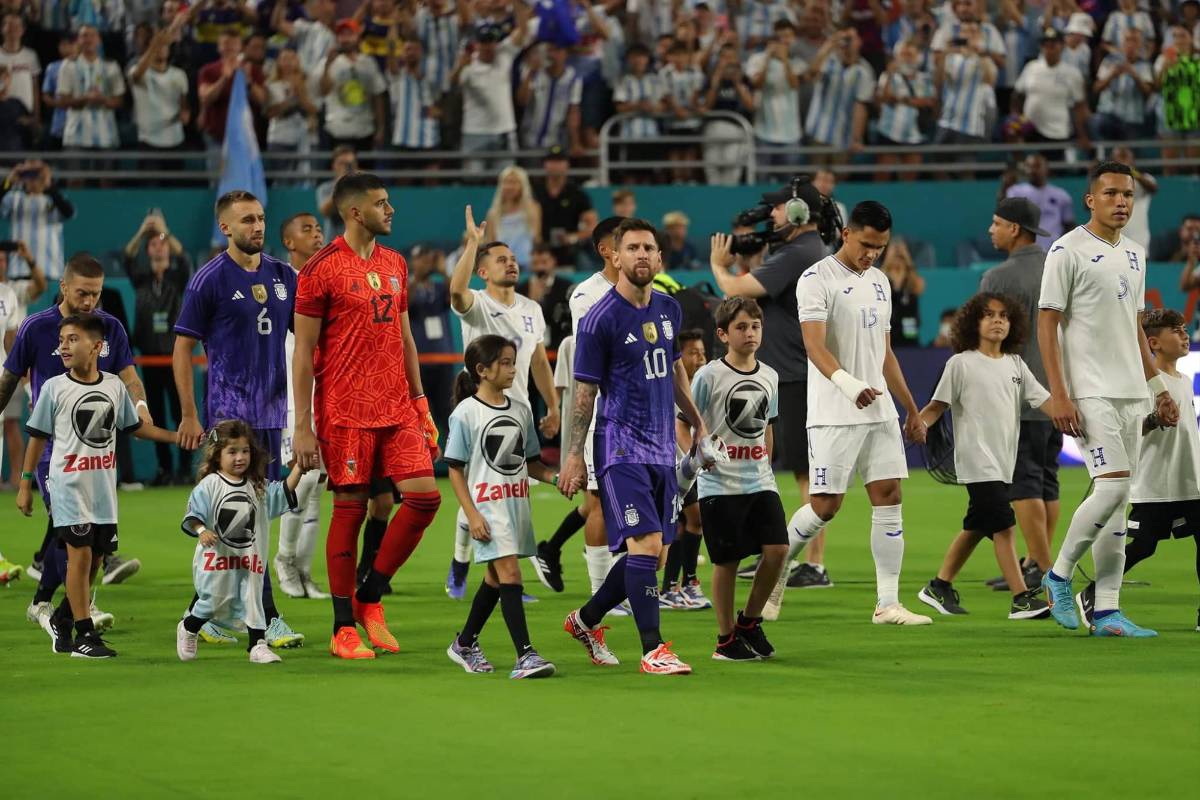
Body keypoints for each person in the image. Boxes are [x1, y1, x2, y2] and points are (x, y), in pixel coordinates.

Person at [292, 172, 442, 660]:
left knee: (425, 499)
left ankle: (370, 597)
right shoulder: (321, 269)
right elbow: (304, 352)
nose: (390, 209)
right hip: (345, 410)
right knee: (350, 511)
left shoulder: (395, 263)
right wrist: (301, 425)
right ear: (355, 212)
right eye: (381, 203)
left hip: (397, 406)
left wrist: (421, 404)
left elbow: (405, 338)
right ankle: (342, 626)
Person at [559, 217, 712, 675]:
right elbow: (584, 395)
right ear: (616, 256)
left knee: (654, 553)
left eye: (649, 248)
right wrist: (573, 455)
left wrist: (698, 422)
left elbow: (674, 369)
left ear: (660, 258)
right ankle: (653, 650)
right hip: (619, 447)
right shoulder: (598, 320)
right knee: (645, 545)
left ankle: (585, 620)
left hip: (663, 447)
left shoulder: (669, 309)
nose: (642, 255)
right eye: (633, 248)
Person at [1037, 160, 1176, 638]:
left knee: (1118, 504)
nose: (1122, 202)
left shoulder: (1136, 253)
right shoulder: (1066, 250)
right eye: (1112, 193)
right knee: (1113, 486)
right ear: (1090, 200)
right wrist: (1059, 392)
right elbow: (1047, 323)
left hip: (1132, 392)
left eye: (1128, 195)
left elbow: (1136, 329)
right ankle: (1057, 576)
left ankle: (1107, 610)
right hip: (1089, 389)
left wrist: (1158, 388)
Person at [173, 190, 305, 650]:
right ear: (225, 227)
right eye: (247, 220)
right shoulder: (208, 279)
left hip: (272, 413)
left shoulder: (284, 275)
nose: (257, 227)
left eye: (261, 218)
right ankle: (265, 617)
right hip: (230, 418)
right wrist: (190, 413)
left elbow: (307, 343)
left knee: (247, 519)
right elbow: (183, 348)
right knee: (244, 516)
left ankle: (204, 611)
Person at [792, 200, 932, 626]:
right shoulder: (815, 279)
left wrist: (912, 409)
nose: (872, 253)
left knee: (889, 496)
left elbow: (885, 353)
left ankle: (887, 603)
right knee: (825, 506)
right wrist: (850, 386)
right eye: (867, 244)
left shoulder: (881, 283)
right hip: (834, 410)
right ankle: (776, 565)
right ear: (847, 234)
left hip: (879, 412)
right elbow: (814, 346)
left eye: (881, 247)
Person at [3, 253, 150, 631]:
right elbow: (8, 379)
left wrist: (140, 403)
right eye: (82, 293)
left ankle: (42, 602)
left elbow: (128, 374)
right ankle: (82, 612)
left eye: (96, 295)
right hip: (52, 448)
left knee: (81, 529)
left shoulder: (110, 327)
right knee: (73, 526)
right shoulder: (36, 328)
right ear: (64, 287)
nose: (89, 303)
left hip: (95, 449)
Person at [17, 313, 177, 658]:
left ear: (97, 347)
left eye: (72, 339)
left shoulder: (113, 387)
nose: (63, 346)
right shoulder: (54, 388)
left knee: (96, 559)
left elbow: (135, 428)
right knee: (80, 555)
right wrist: (25, 483)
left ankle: (63, 617)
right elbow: (36, 438)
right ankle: (85, 635)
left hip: (103, 489)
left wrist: (176, 437)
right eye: (61, 340)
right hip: (67, 485)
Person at [708, 179, 834, 596]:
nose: (772, 215)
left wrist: (718, 265)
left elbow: (736, 292)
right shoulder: (802, 250)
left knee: (804, 469)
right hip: (789, 372)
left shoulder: (800, 251)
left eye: (778, 208)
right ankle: (775, 551)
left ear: (798, 211)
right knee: (764, 465)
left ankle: (813, 563)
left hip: (795, 373)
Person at [916, 293, 1052, 620]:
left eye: (1004, 316)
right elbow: (936, 407)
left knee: (978, 525)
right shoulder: (961, 363)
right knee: (1004, 525)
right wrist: (917, 425)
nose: (997, 321)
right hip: (977, 461)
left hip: (1004, 463)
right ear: (973, 323)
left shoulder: (1016, 364)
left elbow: (1044, 400)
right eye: (989, 315)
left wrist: (1076, 420)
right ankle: (1021, 598)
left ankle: (939, 586)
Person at [446, 205, 559, 596]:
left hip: (520, 411)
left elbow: (539, 361)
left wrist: (553, 405)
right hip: (482, 413)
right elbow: (456, 292)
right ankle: (466, 563)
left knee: (511, 491)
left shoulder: (531, 309)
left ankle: (502, 570)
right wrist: (473, 243)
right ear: (483, 271)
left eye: (513, 259)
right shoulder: (478, 304)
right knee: (483, 489)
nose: (511, 264)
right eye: (501, 260)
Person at [1074, 309, 1200, 631]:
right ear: (1153, 342)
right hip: (1154, 483)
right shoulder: (1143, 385)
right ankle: (1094, 594)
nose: (1185, 335)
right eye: (1177, 330)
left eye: (1185, 329)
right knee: (1143, 545)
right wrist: (1154, 419)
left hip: (1190, 480)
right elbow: (1133, 430)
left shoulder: (1184, 381)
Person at [444, 335, 558, 679]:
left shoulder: (521, 410)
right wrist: (473, 513)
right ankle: (525, 655)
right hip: (488, 511)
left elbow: (532, 463)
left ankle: (464, 643)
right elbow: (454, 469)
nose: (512, 369)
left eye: (513, 361)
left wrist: (558, 480)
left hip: (516, 507)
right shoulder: (466, 413)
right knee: (510, 573)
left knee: (495, 579)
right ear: (482, 370)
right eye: (505, 363)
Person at [686, 298, 787, 659]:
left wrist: (768, 465)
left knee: (778, 551)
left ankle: (749, 622)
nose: (750, 333)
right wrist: (696, 460)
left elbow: (767, 427)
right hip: (720, 484)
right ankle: (726, 639)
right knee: (725, 562)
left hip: (759, 480)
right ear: (723, 334)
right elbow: (686, 424)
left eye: (755, 326)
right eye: (741, 327)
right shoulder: (708, 376)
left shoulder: (770, 376)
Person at [176, 419, 310, 664]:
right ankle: (189, 626)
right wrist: (201, 530)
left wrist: (299, 468)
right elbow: (194, 514)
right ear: (218, 456)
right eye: (232, 451)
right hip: (216, 561)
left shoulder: (257, 487)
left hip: (249, 562)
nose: (240, 457)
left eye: (245, 451)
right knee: (212, 601)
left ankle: (257, 646)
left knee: (253, 601)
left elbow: (283, 492)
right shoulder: (210, 485)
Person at [979, 197, 1058, 590]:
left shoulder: (998, 278)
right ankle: (1034, 561)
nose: (991, 230)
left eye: (996, 223)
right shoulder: (1057, 267)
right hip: (1058, 393)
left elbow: (986, 337)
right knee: (1047, 481)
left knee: (1023, 484)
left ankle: (1046, 570)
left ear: (1014, 229)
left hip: (1018, 395)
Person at [274, 212, 328, 600]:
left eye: (319, 228)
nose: (317, 235)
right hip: (295, 396)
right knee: (303, 476)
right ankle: (284, 560)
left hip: (328, 394)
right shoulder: (279, 283)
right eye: (306, 230)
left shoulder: (329, 281)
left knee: (318, 486)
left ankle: (305, 572)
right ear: (289, 242)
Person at [130, 220, 187, 486]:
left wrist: (166, 230)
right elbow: (127, 255)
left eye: (162, 243)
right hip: (150, 361)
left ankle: (184, 469)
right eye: (153, 244)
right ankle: (164, 469)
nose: (159, 247)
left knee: (180, 414)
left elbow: (183, 257)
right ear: (148, 250)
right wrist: (144, 231)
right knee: (157, 417)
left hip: (175, 360)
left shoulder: (177, 278)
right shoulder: (141, 279)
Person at [660, 328, 708, 610]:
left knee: (690, 520)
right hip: (674, 461)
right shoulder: (675, 383)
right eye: (693, 353)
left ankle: (683, 583)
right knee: (687, 519)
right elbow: (679, 426)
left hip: (686, 461)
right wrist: (693, 458)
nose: (700, 359)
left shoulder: (700, 381)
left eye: (702, 353)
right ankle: (673, 586)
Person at [452, 15, 529, 176]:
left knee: (507, 181)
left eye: (492, 41)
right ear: (477, 44)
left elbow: (523, 30)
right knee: (472, 183)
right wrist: (460, 65)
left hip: (504, 132)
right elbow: (453, 82)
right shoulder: (468, 64)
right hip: (475, 133)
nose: (489, 46)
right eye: (484, 42)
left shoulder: (504, 55)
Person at [804, 25, 875, 161]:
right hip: (818, 132)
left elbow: (860, 106)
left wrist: (856, 138)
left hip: (844, 138)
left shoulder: (865, 70)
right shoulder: (828, 60)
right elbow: (810, 74)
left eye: (850, 38)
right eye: (844, 39)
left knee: (838, 180)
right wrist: (828, 45)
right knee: (815, 180)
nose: (847, 43)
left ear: (859, 42)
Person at [316, 19, 386, 154]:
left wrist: (381, 128)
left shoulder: (368, 62)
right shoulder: (328, 62)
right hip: (338, 130)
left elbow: (378, 95)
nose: (345, 39)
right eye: (342, 35)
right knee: (341, 174)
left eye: (349, 34)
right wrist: (327, 66)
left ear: (357, 37)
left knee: (365, 173)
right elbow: (324, 91)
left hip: (365, 129)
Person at [1, 160, 73, 281]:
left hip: (50, 272)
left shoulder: (54, 200)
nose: (33, 178)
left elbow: (69, 212)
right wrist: (9, 181)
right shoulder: (14, 198)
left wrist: (48, 185)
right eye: (29, 173)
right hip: (19, 273)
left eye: (37, 173)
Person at [746, 22, 803, 172]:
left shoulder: (796, 61)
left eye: (786, 38)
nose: (782, 42)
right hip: (763, 132)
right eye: (779, 38)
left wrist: (784, 60)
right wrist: (767, 58)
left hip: (790, 133)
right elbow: (757, 84)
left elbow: (795, 85)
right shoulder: (757, 59)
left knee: (789, 186)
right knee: (762, 182)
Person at [516, 41, 582, 153]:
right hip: (529, 139)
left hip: (556, 140)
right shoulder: (533, 74)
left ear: (566, 53)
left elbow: (573, 112)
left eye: (557, 50)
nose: (552, 55)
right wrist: (531, 72)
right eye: (549, 51)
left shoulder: (573, 78)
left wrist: (575, 142)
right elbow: (521, 101)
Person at [532, 146, 592, 266]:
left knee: (586, 264)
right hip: (539, 249)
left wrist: (572, 237)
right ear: (545, 164)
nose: (555, 165)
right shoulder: (535, 191)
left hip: (569, 250)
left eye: (559, 161)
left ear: (567, 164)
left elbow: (592, 225)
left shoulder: (577, 193)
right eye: (552, 161)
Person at [1090, 29, 1153, 143]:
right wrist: (1111, 75)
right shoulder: (1109, 61)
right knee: (1098, 122)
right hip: (1109, 116)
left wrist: (1135, 75)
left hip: (1132, 118)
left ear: (1140, 44)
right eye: (1127, 40)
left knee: (1127, 157)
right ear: (1122, 42)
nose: (1131, 44)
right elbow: (1096, 88)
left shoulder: (1144, 65)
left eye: (1135, 40)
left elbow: (1148, 93)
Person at [1005, 154, 1075, 252]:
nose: (1033, 170)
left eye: (1037, 166)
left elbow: (1069, 225)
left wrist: (1062, 247)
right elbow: (1006, 220)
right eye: (1029, 166)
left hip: (1053, 252)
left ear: (1046, 169)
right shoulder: (1015, 192)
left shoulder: (1061, 195)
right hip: (1024, 253)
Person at [484, 166, 541, 268]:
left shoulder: (533, 208)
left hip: (527, 264)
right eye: (506, 182)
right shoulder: (493, 214)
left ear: (523, 185)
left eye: (514, 182)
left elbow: (536, 239)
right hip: (502, 266)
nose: (509, 186)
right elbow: (490, 244)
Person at [518, 243, 572, 351]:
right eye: (535, 263)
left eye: (544, 262)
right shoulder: (521, 289)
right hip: (529, 347)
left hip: (558, 346)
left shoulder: (566, 288)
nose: (540, 267)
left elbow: (567, 320)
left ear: (553, 261)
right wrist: (533, 301)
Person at [1111, 146, 1156, 251]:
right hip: (1113, 240)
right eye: (1119, 157)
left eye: (1125, 157)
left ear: (1132, 159)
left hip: (1138, 239)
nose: (1122, 160)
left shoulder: (1143, 179)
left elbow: (1153, 188)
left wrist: (1131, 171)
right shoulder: (1106, 181)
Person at [881, 238, 924, 347]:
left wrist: (906, 256)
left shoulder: (910, 280)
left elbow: (919, 286)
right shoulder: (883, 277)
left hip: (909, 333)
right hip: (888, 333)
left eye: (900, 259)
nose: (897, 262)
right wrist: (889, 255)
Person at [316, 145, 357, 242]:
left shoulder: (365, 188)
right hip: (333, 245)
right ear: (334, 165)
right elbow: (325, 211)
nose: (346, 168)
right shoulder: (325, 188)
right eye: (341, 163)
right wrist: (341, 185)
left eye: (349, 164)